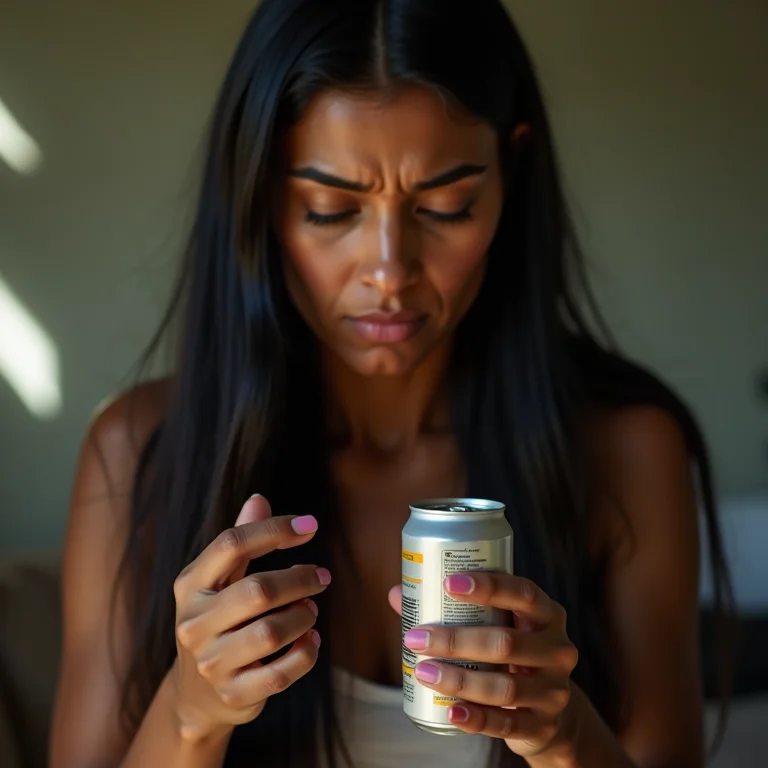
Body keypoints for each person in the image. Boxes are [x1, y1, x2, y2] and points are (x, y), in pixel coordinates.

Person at [49, 1, 733, 766]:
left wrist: (563, 732)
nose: (389, 270)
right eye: (329, 210)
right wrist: (189, 714)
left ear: (511, 174)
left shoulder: (626, 449)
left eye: (446, 206)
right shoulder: (137, 453)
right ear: (259, 196)